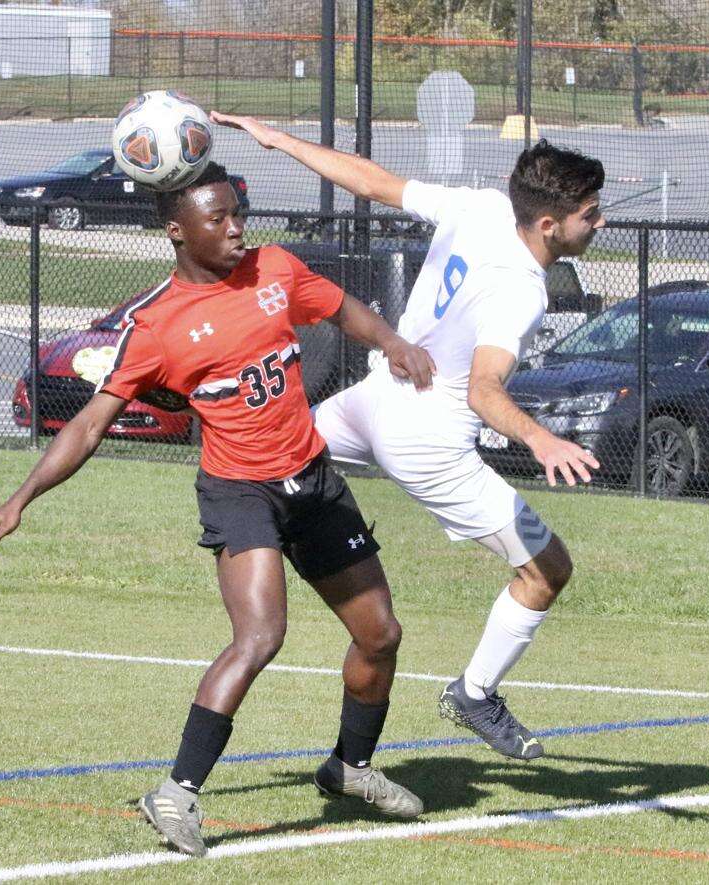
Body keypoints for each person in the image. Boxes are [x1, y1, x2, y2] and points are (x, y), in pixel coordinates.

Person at [0, 162, 436, 856]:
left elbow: (342, 308)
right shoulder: (157, 325)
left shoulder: (274, 268)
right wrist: (21, 498)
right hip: (240, 491)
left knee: (380, 633)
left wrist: (394, 342)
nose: (234, 228)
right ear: (176, 230)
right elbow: (89, 425)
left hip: (311, 480)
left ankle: (349, 764)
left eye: (235, 213)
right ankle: (175, 793)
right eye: (216, 219)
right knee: (260, 636)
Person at [211, 114, 606, 762]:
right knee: (547, 567)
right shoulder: (522, 290)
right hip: (427, 441)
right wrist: (542, 440)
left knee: (269, 454)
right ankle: (476, 692)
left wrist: (282, 141)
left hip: (373, 399)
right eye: (591, 214)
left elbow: (371, 183)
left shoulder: (481, 207)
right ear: (548, 223)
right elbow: (484, 391)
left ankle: (251, 542)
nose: (599, 224)